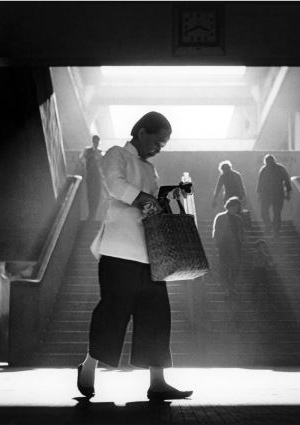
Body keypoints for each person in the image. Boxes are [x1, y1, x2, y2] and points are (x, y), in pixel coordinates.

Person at [76, 111, 192, 401]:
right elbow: (115, 186)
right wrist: (146, 199)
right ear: (141, 132)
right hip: (118, 249)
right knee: (114, 311)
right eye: (158, 140)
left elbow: (151, 203)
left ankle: (158, 382)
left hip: (149, 252)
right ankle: (88, 366)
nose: (159, 148)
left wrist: (171, 196)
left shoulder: (149, 168)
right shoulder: (116, 154)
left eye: (164, 144)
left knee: (156, 315)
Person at [212, 197, 247, 298]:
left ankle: (230, 287)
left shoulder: (238, 219)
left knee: (235, 269)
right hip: (224, 247)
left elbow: (242, 233)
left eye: (238, 207)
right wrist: (214, 247)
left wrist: (245, 244)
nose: (236, 208)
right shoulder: (220, 217)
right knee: (225, 270)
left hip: (236, 247)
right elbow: (216, 233)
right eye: (235, 206)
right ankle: (227, 290)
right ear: (229, 206)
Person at [257, 154, 292, 237]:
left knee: (275, 213)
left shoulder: (277, 169)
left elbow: (287, 181)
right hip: (272, 194)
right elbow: (260, 183)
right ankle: (271, 227)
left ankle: (275, 230)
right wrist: (288, 194)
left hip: (275, 195)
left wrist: (288, 193)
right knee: (269, 212)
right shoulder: (268, 169)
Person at [79, 135, 104, 220]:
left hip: (98, 176)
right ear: (93, 142)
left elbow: (103, 161)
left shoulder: (100, 152)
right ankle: (91, 214)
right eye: (95, 142)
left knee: (97, 195)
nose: (96, 143)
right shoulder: (87, 150)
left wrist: (98, 155)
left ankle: (93, 214)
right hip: (90, 175)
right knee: (90, 194)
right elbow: (82, 158)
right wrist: (88, 159)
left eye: (97, 142)